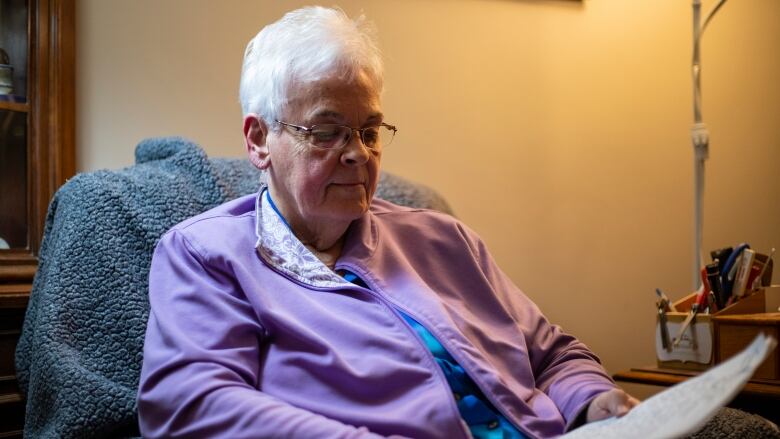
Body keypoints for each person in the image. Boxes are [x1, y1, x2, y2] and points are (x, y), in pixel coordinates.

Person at [137, 6, 638, 438]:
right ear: (259, 140)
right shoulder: (206, 256)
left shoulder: (442, 238)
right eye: (327, 131)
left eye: (370, 130)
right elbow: (190, 406)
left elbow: (553, 355)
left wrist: (594, 400)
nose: (358, 154)